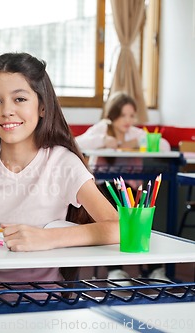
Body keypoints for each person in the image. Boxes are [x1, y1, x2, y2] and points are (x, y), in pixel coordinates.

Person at [0, 52, 119, 291]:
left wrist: (48, 238)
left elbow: (118, 227)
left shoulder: (62, 163)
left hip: (46, 299)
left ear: (42, 107)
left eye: (20, 99)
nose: (7, 111)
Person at [76, 91, 171, 283]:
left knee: (142, 220)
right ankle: (115, 269)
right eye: (123, 115)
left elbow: (165, 146)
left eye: (131, 115)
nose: (128, 120)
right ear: (112, 115)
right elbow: (77, 142)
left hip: (132, 191)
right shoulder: (102, 128)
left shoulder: (136, 133)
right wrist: (104, 141)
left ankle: (155, 269)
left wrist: (140, 142)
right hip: (104, 189)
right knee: (115, 219)